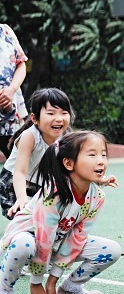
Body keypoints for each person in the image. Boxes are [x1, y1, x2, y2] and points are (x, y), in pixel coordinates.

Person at [0, 130, 121, 294]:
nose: (101, 161)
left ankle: (70, 288)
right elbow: (44, 237)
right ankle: (4, 293)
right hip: (31, 238)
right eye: (92, 154)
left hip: (57, 242)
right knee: (23, 245)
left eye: (103, 155)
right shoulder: (54, 193)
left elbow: (77, 238)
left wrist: (53, 280)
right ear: (68, 163)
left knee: (111, 250)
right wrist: (36, 281)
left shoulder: (97, 197)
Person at [0, 88, 74, 219]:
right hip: (14, 183)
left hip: (40, 185)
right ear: (35, 118)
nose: (58, 119)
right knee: (27, 220)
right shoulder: (30, 136)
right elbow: (19, 172)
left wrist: (97, 179)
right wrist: (22, 198)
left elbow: (75, 168)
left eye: (64, 113)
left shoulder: (67, 137)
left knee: (53, 219)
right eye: (51, 113)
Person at [0, 24, 28, 158]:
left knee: (20, 163)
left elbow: (21, 64)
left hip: (10, 112)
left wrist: (11, 90)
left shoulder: (5, 30)